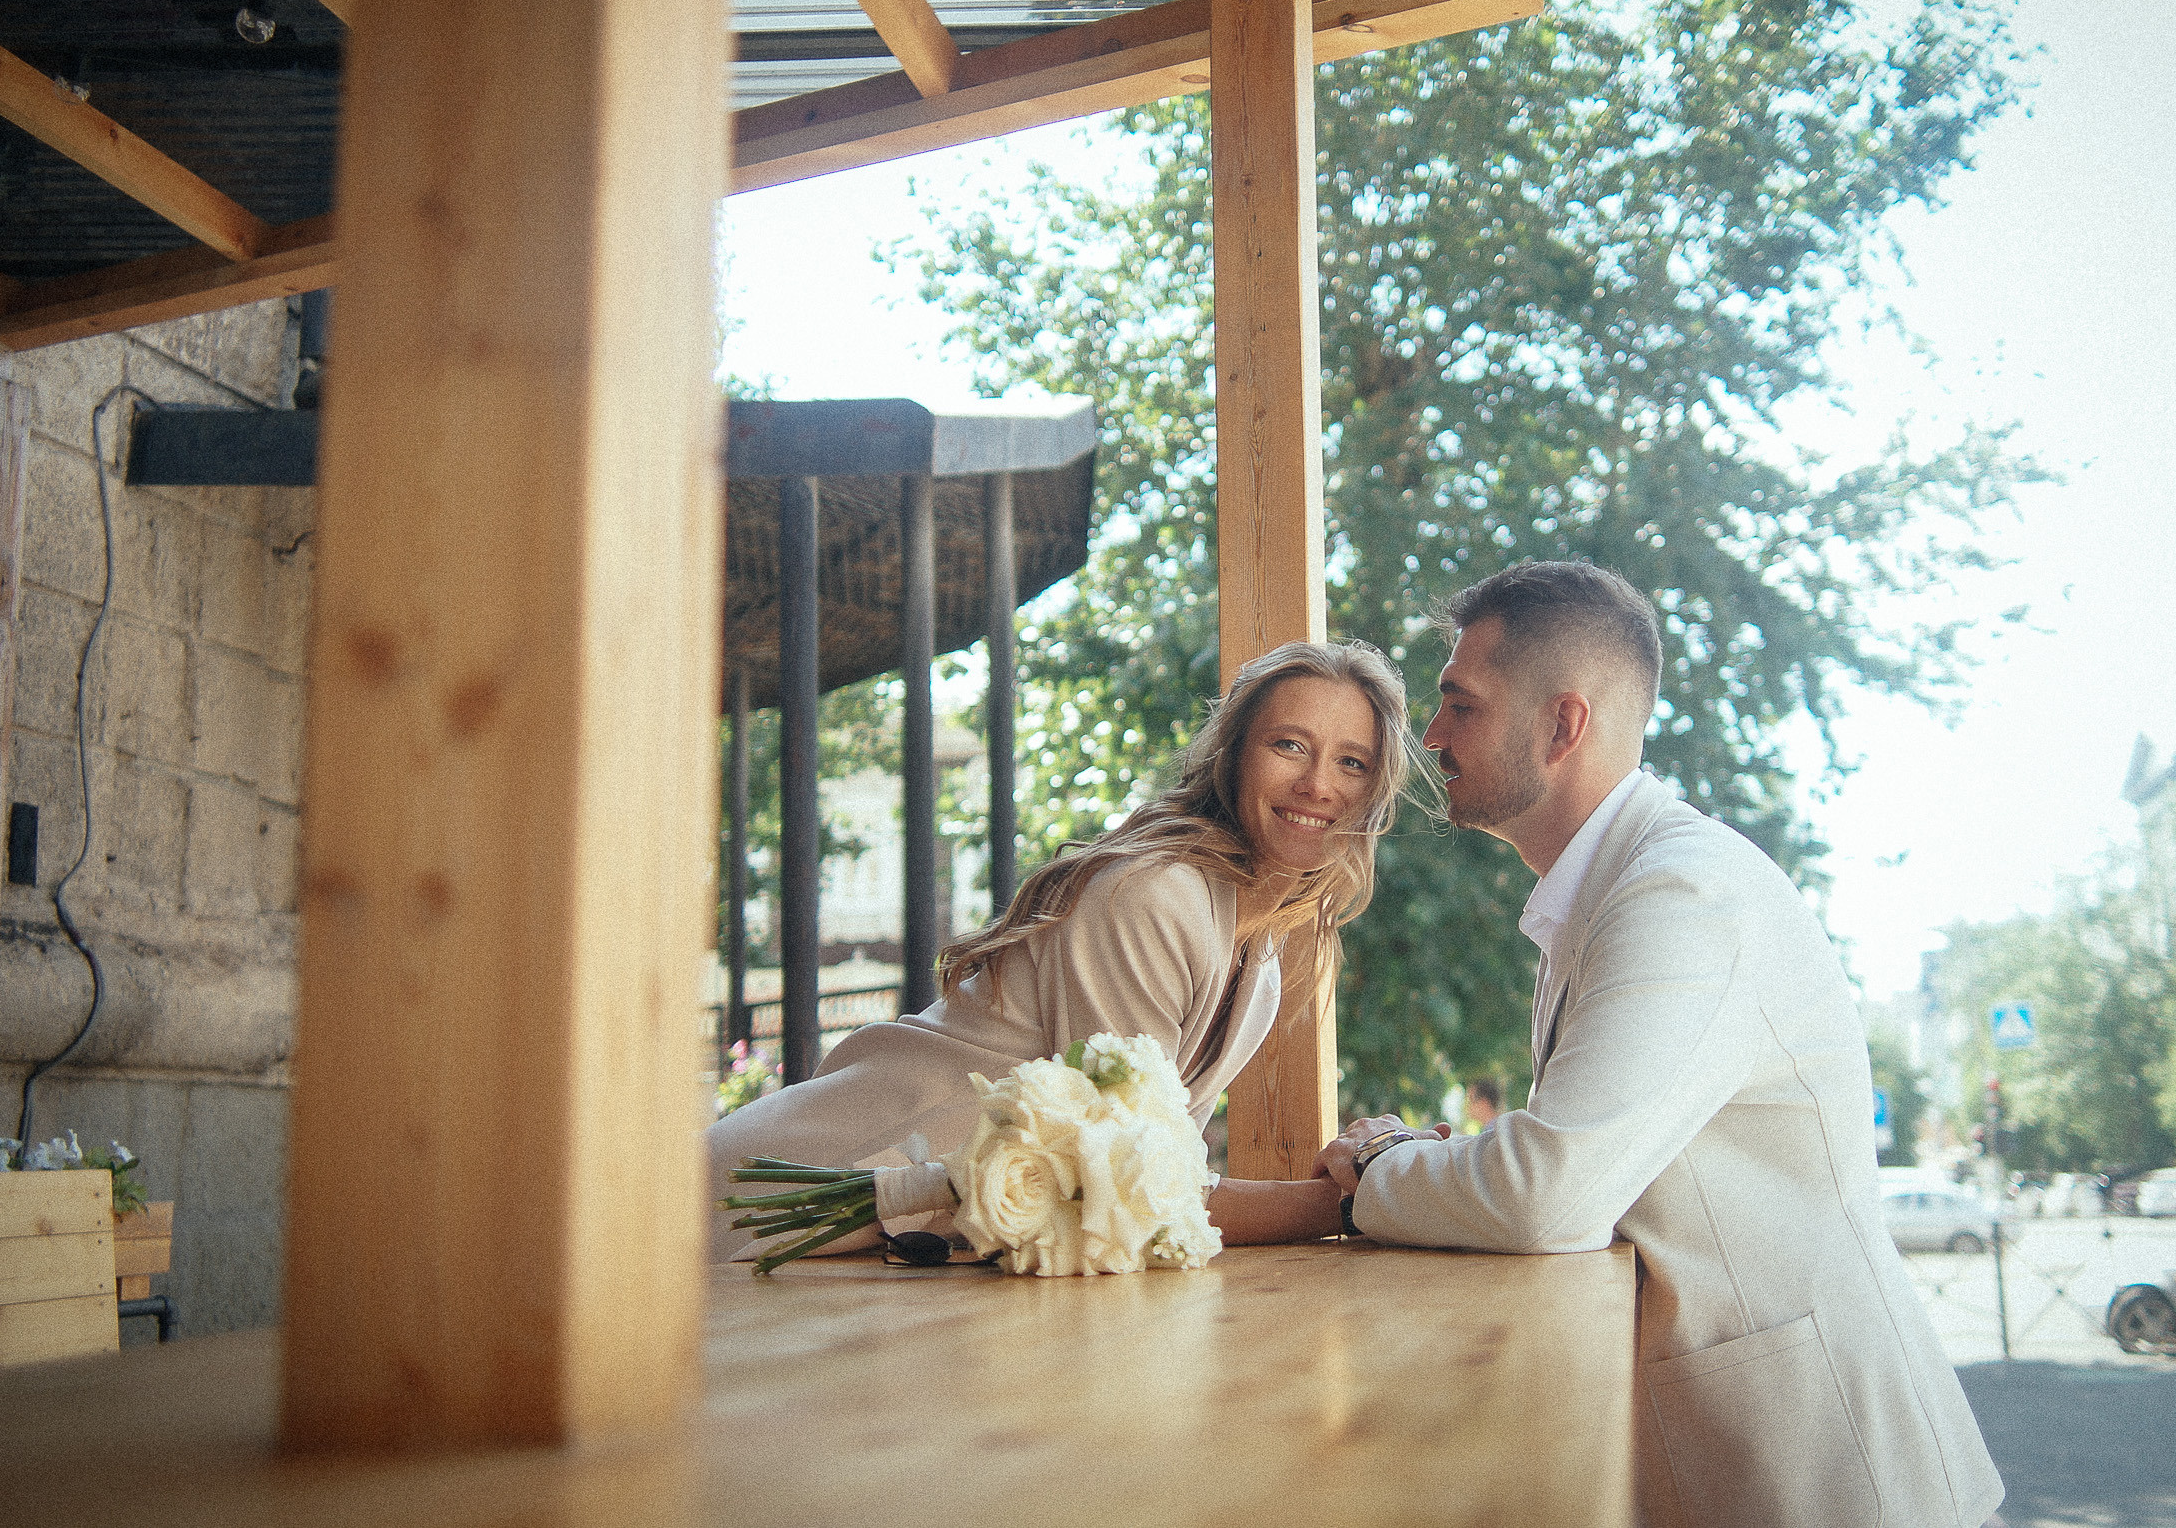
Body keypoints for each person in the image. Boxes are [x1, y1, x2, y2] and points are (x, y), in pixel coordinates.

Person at [1316, 562, 2004, 1528]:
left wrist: (1376, 1171)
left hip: (1830, 1475)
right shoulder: (1606, 890)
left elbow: (1548, 1188)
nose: (1429, 737)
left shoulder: (1682, 893)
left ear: (1562, 726)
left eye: (1457, 704)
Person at [704, 639, 1409, 1262]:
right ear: (1234, 755)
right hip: (788, 1195)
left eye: (1351, 762)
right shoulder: (1156, 896)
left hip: (881, 1252)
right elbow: (1123, 1182)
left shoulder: (1258, 971)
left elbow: (1154, 1184)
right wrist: (1358, 1196)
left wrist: (1364, 1175)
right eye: (1289, 744)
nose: (1319, 784)